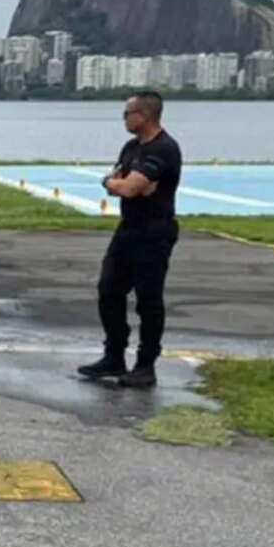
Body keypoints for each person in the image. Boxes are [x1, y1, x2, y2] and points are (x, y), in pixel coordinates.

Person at [78, 90, 183, 388]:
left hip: (154, 231)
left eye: (128, 113)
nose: (124, 118)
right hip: (128, 229)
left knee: (148, 300)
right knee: (109, 290)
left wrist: (118, 184)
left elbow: (128, 188)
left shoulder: (163, 149)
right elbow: (119, 181)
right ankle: (113, 355)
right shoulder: (131, 148)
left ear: (145, 115)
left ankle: (146, 364)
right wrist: (117, 183)